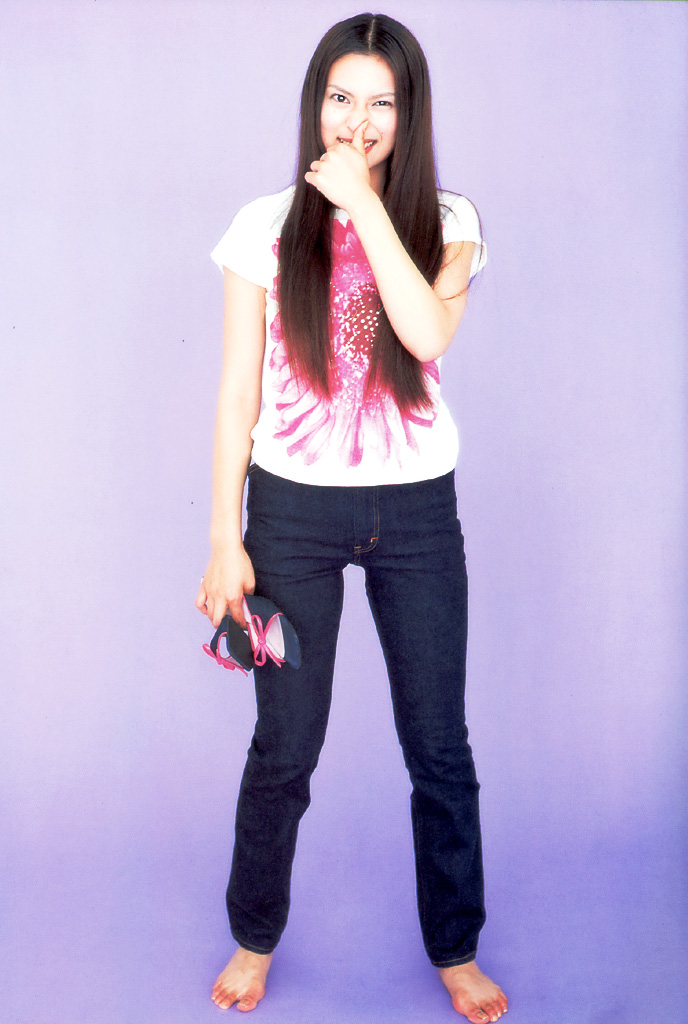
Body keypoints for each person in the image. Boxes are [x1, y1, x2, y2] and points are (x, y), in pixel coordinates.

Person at [195, 13, 507, 1022]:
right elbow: (237, 395)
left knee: (439, 746)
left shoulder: (446, 220)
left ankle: (454, 947)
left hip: (416, 512)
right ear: (314, 104)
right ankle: (254, 935)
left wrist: (367, 205)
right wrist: (224, 537)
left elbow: (424, 335)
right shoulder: (261, 226)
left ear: (409, 116)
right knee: (284, 748)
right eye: (340, 97)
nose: (356, 119)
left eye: (381, 102)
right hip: (290, 514)